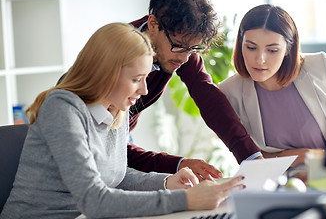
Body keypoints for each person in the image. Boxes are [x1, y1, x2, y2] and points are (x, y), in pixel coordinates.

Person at [0, 23, 244, 219]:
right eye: (137, 79)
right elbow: (94, 199)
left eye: (146, 78)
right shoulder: (62, 108)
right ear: (106, 72)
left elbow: (117, 176)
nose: (145, 90)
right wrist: (187, 200)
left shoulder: (118, 109)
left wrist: (168, 182)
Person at [127, 0, 263, 181]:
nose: (184, 58)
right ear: (154, 24)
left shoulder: (179, 48)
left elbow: (208, 96)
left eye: (193, 49)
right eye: (180, 47)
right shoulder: (116, 55)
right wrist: (177, 164)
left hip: (121, 141)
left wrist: (251, 157)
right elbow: (111, 150)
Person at [219, 4, 326, 166]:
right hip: (276, 186)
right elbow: (249, 157)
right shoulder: (230, 92)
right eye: (251, 47)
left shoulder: (320, 68)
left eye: (272, 50)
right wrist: (294, 157)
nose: (260, 59)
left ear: (288, 48)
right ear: (241, 45)